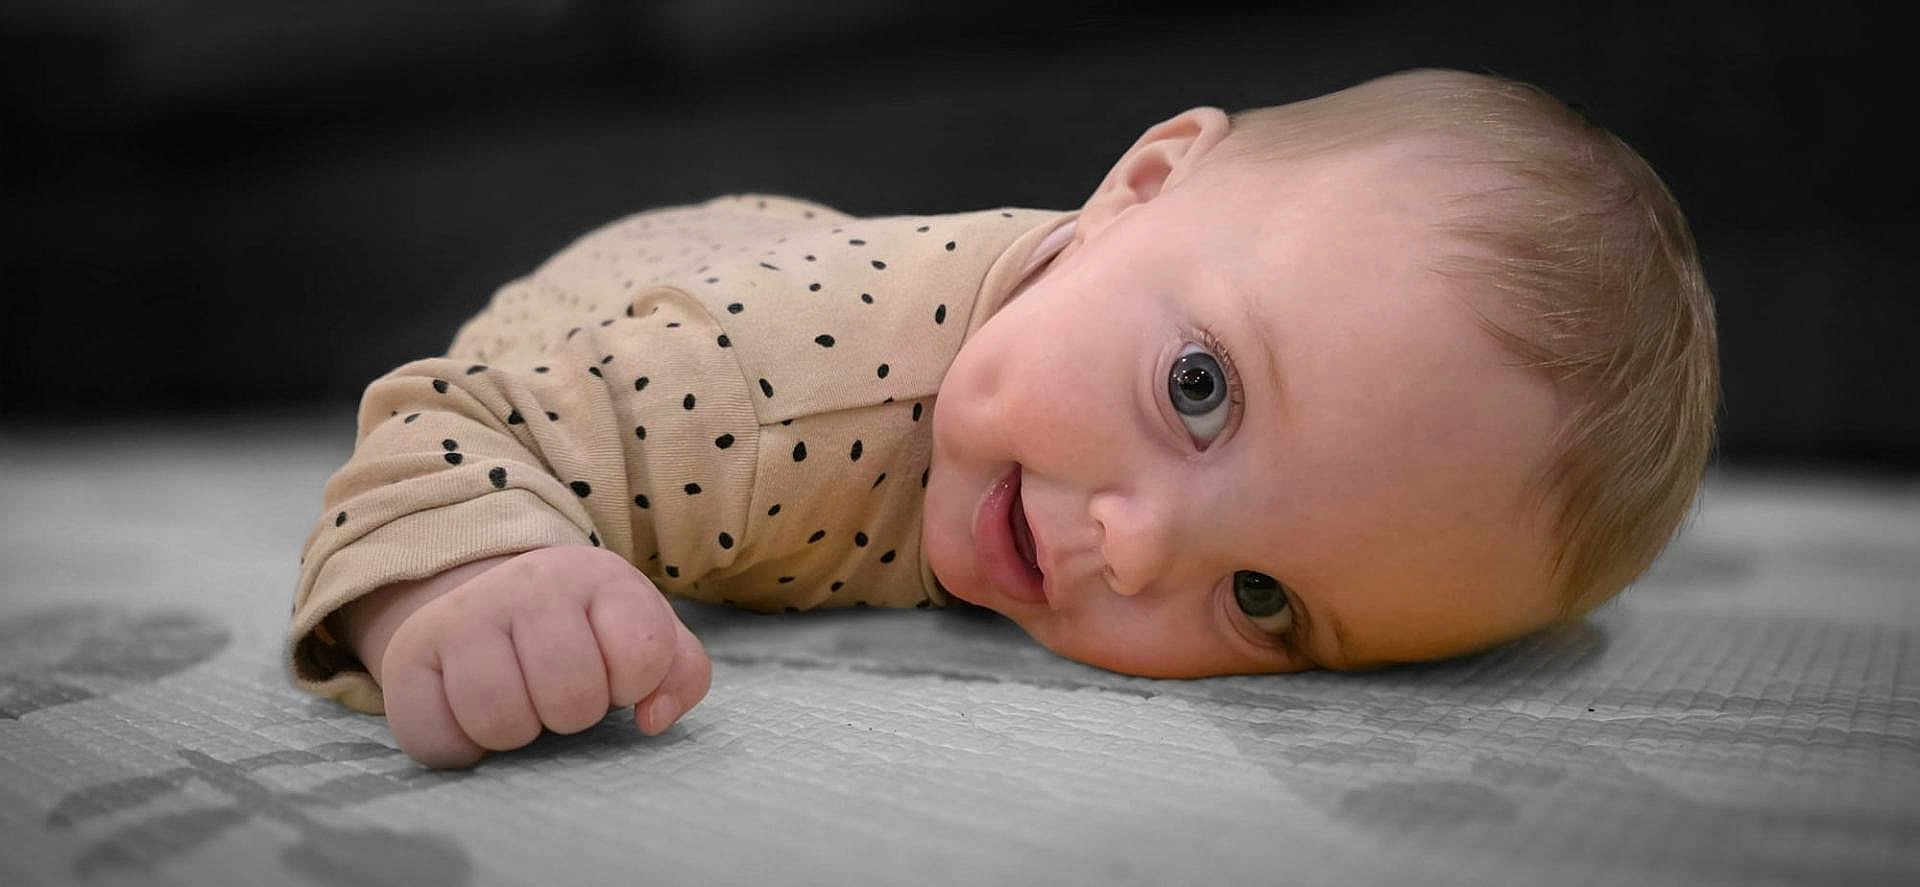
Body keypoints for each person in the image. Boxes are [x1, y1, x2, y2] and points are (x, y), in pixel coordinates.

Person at [288, 68, 1719, 768]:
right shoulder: (755, 391)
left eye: (1268, 600)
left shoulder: (1117, 331)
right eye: (1200, 392)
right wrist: (466, 584)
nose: (1140, 551)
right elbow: (446, 425)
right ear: (1142, 185)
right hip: (629, 313)